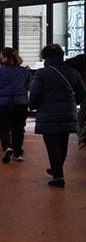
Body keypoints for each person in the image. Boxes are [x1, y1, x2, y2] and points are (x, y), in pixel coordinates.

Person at [29, 44, 86, 188]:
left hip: (48, 114)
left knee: (52, 145)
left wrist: (33, 106)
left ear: (46, 57)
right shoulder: (73, 72)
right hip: (67, 113)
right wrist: (72, 104)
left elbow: (35, 93)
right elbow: (81, 93)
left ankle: (58, 176)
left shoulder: (41, 74)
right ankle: (57, 168)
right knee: (63, 144)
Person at [0, 48, 30, 163]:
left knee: (3, 127)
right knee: (19, 128)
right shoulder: (24, 71)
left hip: (2, 103)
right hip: (20, 103)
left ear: (5, 57)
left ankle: (7, 147)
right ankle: (18, 152)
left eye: (1, 56)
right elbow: (29, 87)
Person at [65, 53, 86, 146]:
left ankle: (81, 131)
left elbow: (67, 63)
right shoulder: (81, 59)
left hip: (84, 87)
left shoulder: (81, 59)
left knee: (83, 111)